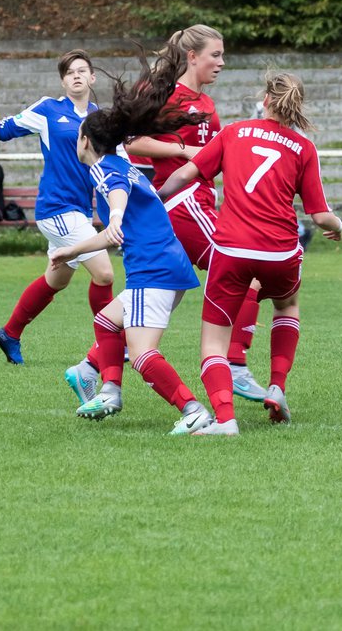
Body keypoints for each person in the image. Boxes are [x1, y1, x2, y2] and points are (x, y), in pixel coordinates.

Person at [65, 26, 268, 407]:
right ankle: (235, 364)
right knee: (248, 274)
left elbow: (216, 152)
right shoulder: (170, 95)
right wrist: (188, 151)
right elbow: (134, 142)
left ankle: (91, 368)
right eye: (215, 55)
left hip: (199, 201)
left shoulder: (206, 103)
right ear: (192, 57)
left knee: (145, 305)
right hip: (183, 202)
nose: (222, 63)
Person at [157, 72, 342, 435]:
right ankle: (277, 386)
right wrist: (337, 227)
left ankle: (225, 420)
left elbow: (185, 176)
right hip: (281, 252)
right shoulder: (303, 148)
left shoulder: (234, 132)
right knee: (287, 305)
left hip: (232, 248)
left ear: (266, 100)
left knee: (213, 340)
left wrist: (154, 197)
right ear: (296, 106)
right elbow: (320, 215)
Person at [50, 46, 214, 435]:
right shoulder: (118, 162)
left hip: (152, 269)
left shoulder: (108, 171)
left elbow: (116, 208)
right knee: (107, 321)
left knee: (142, 355)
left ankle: (194, 413)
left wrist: (76, 245)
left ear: (86, 142)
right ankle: (109, 391)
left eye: (78, 135)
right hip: (167, 265)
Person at [0, 50, 115, 365]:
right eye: (69, 72)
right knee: (104, 274)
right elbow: (3, 129)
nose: (76, 75)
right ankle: (110, 345)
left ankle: (10, 333)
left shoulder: (101, 118)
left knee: (57, 280)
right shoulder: (49, 109)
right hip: (57, 208)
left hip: (78, 210)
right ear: (63, 80)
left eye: (82, 71)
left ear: (93, 77)